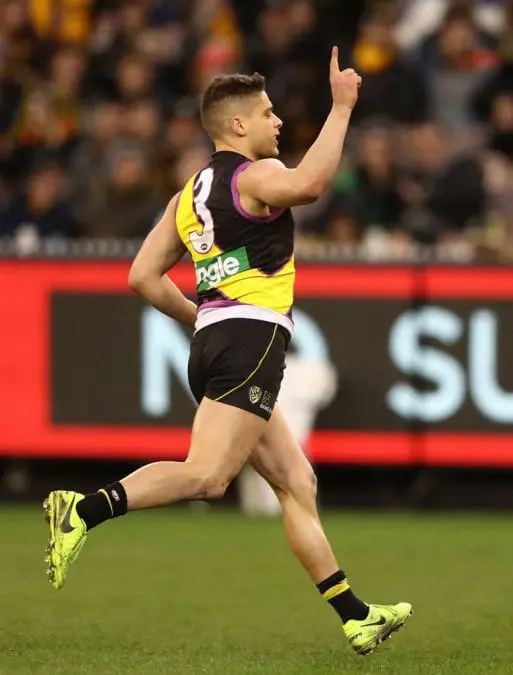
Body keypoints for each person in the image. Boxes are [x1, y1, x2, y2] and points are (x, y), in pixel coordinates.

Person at [43, 47, 412, 657]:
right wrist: (342, 108)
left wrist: (201, 317)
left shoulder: (188, 195)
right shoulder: (254, 175)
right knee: (208, 477)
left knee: (296, 480)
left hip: (216, 339)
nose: (278, 122)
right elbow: (311, 184)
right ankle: (82, 510)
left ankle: (355, 616)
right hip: (251, 340)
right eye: (267, 113)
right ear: (237, 125)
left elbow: (141, 276)